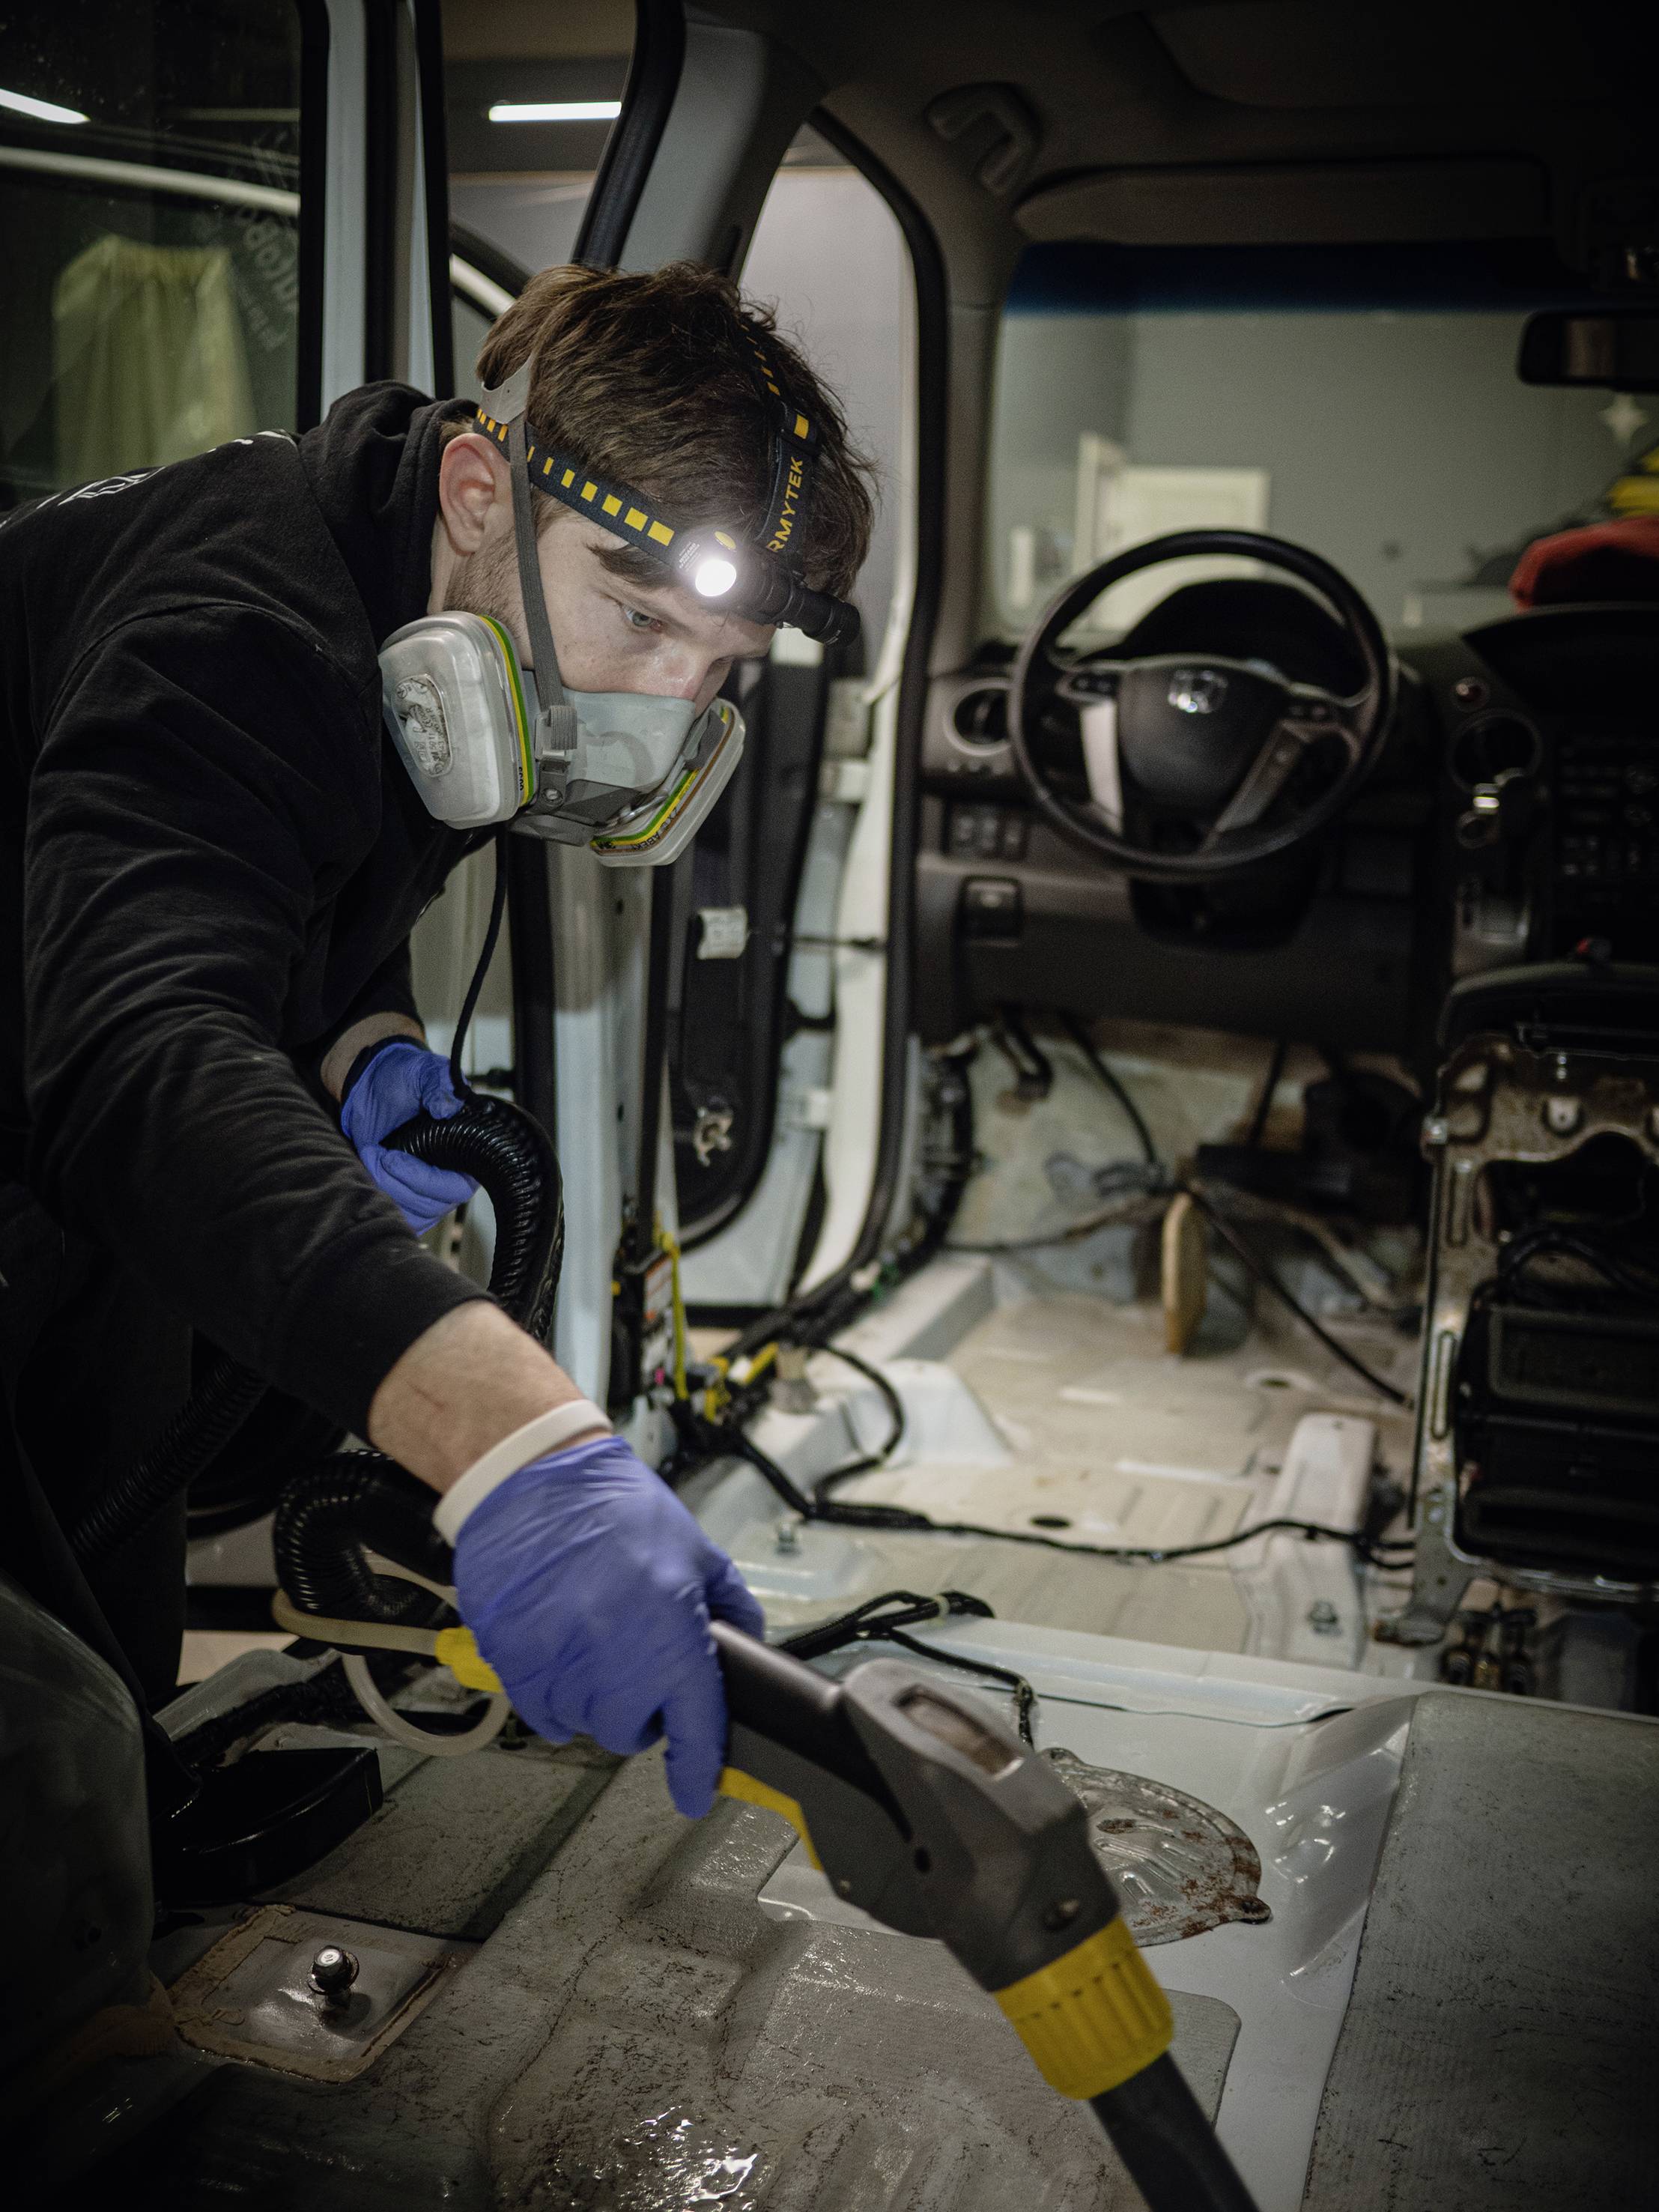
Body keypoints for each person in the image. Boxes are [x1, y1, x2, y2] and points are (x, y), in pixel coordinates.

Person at [0, 260, 873, 1819]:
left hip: (51, 1103)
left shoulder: (442, 608)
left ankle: (121, 1844)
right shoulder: (240, 625)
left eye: (721, 664)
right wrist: (511, 1442)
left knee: (99, 1608)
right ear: (480, 486)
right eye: (637, 614)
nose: (669, 700)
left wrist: (364, 1047)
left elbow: (300, 867)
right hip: (62, 1080)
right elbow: (137, 1043)